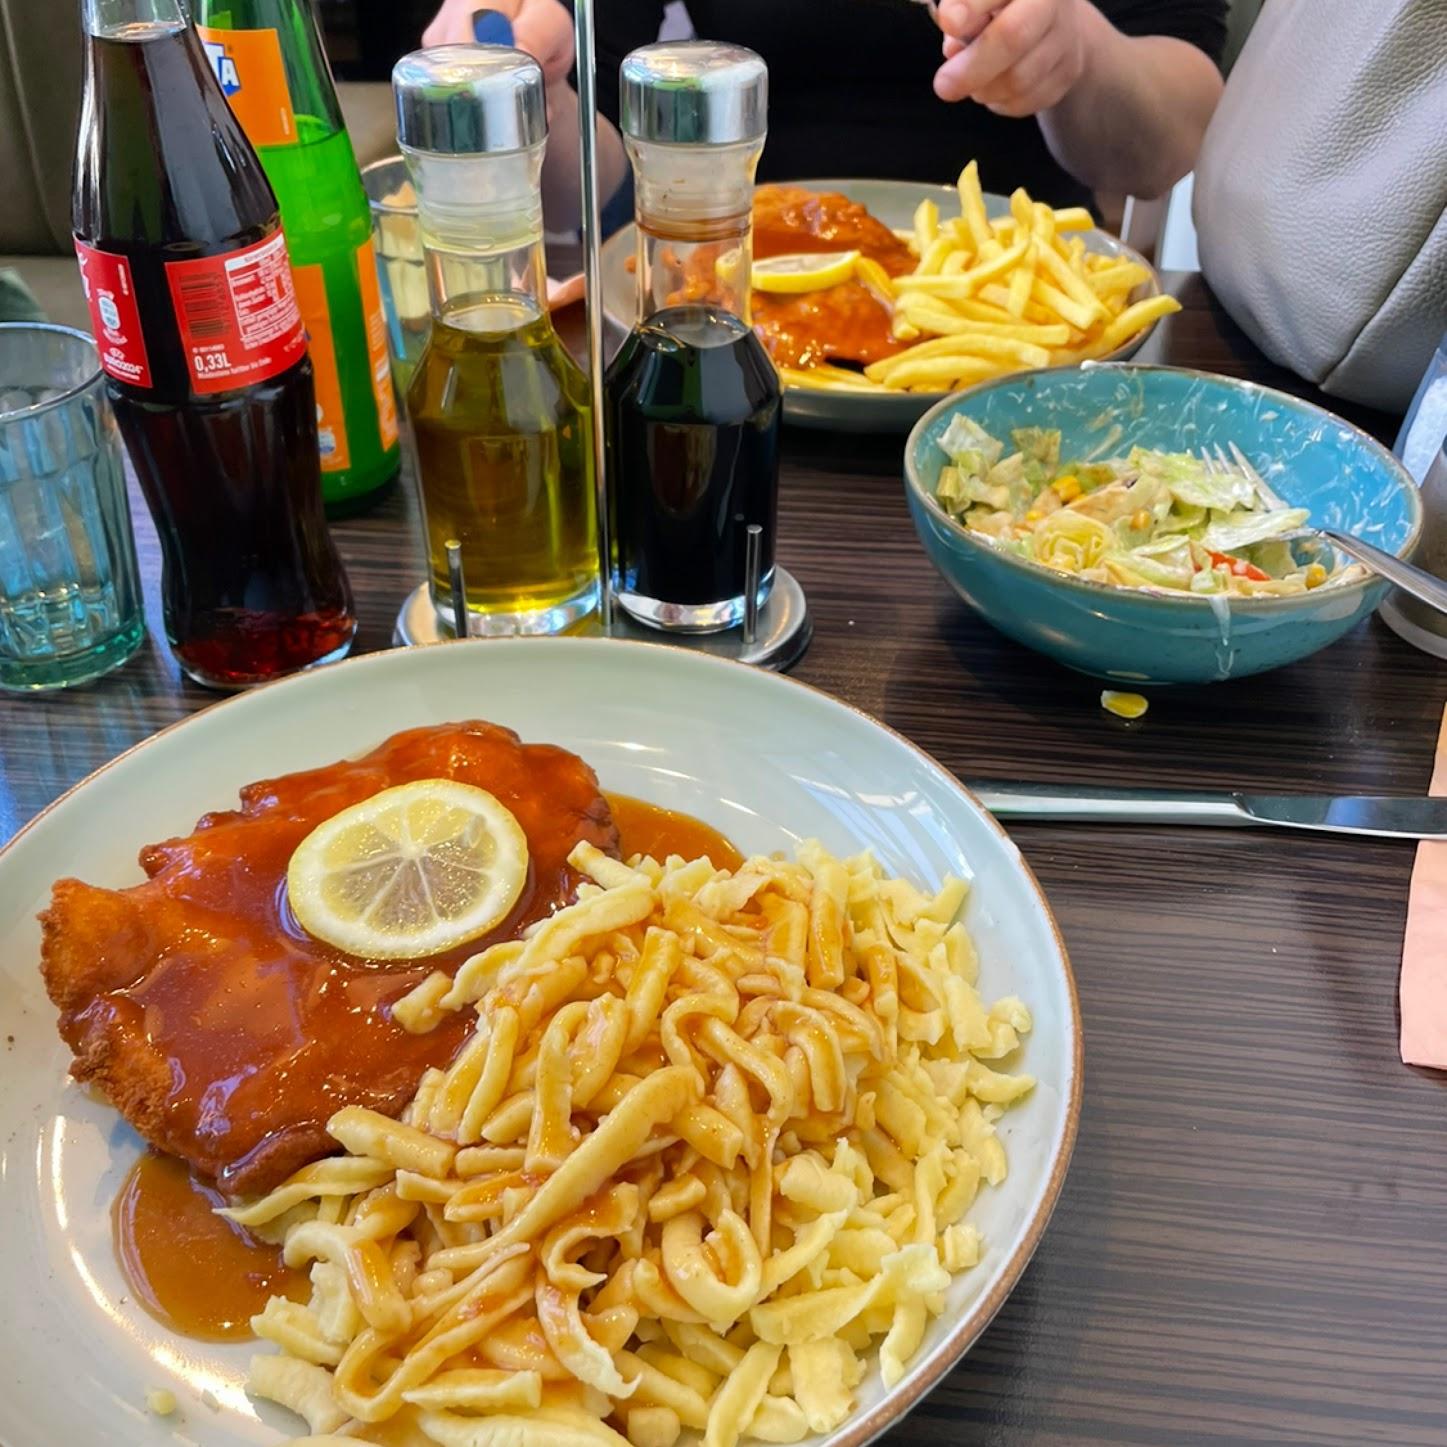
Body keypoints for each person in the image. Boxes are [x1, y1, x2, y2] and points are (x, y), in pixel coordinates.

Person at [423, 0, 1226, 209]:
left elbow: (1164, 151)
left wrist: (1076, 53)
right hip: (731, 289)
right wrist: (528, 94)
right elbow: (585, 184)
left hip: (1029, 324)